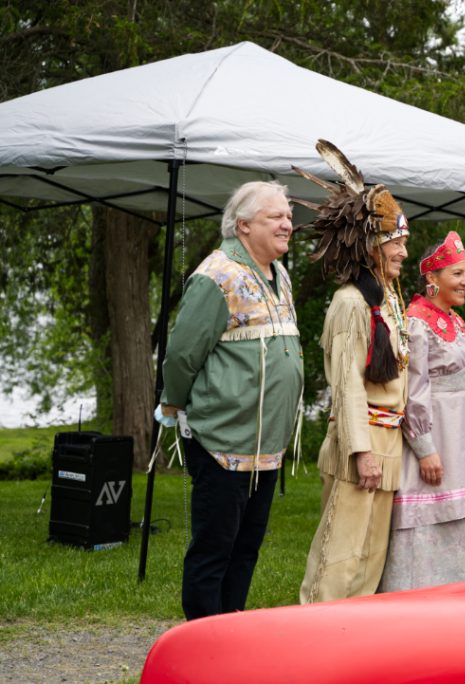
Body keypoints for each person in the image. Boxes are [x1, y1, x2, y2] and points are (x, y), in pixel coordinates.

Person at [158, 180, 303, 620]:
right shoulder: (216, 276)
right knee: (214, 549)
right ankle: (201, 640)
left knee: (246, 548)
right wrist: (173, 407)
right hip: (223, 443)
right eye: (275, 217)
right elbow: (183, 353)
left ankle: (231, 630)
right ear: (242, 226)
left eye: (289, 216)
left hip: (266, 448)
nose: (287, 224)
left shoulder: (279, 274)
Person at [296, 139, 412, 601]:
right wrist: (360, 452)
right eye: (397, 242)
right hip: (359, 444)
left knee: (369, 559)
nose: (405, 251)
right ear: (372, 247)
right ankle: (314, 648)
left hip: (387, 443)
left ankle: (351, 651)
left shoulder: (386, 301)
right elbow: (346, 386)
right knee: (339, 558)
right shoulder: (350, 303)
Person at [378, 231, 465, 591]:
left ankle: (458, 601)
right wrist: (425, 448)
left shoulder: (456, 320)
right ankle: (415, 605)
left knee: (461, 524)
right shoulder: (416, 321)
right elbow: (412, 390)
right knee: (426, 526)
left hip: (460, 437)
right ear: (432, 278)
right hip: (434, 437)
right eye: (456, 274)